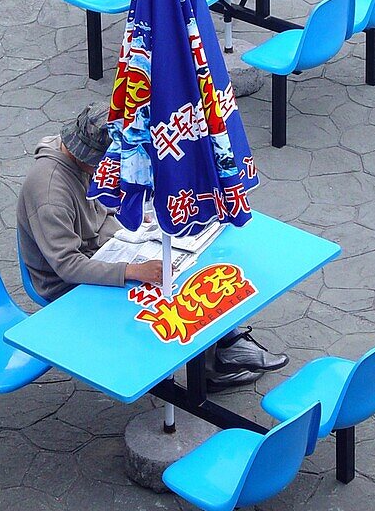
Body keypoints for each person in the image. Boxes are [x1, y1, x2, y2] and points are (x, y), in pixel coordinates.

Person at [17, 104, 288, 391]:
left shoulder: (81, 166)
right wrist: (133, 270)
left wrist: (139, 222)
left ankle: (225, 343)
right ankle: (212, 363)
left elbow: (101, 207)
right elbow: (67, 266)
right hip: (69, 282)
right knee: (163, 291)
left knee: (186, 265)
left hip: (108, 247)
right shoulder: (49, 193)